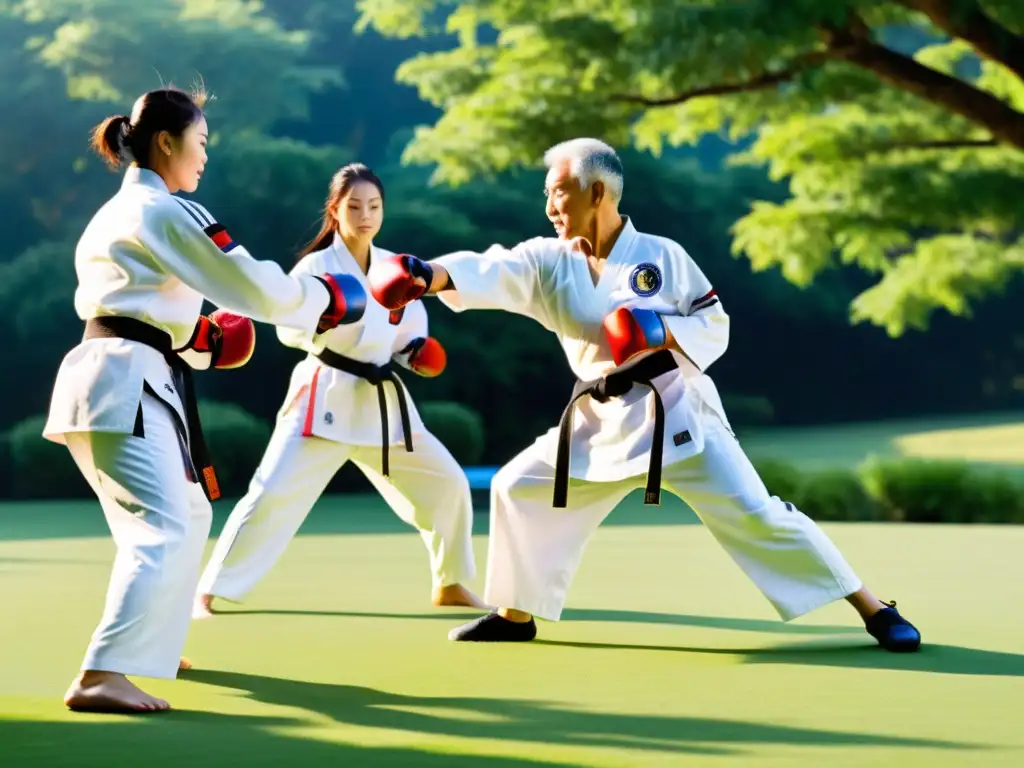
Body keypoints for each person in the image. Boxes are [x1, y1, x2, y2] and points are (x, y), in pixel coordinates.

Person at [365, 137, 922, 652]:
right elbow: (489, 267)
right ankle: (515, 615)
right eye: (548, 197)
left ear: (597, 192)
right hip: (596, 419)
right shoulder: (547, 259)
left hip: (675, 414)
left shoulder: (662, 256)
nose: (550, 208)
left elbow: (716, 322)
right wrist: (424, 274)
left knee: (758, 514)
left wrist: (661, 332)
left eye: (558, 194)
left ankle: (873, 609)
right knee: (518, 487)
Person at [41, 86, 368, 714]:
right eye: (202, 142)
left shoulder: (118, 215)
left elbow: (140, 308)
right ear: (167, 141)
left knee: (187, 514)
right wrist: (326, 298)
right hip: (124, 381)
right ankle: (101, 673)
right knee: (160, 528)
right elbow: (251, 287)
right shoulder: (166, 211)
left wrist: (201, 342)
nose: (205, 157)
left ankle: (149, 647)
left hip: (123, 374)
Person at [193, 163, 485, 619]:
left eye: (374, 206)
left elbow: (405, 335)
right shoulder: (316, 266)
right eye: (354, 206)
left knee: (448, 483)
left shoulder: (396, 269)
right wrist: (323, 317)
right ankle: (209, 590)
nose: (365, 215)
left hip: (380, 404)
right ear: (335, 209)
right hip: (323, 397)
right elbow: (289, 330)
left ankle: (450, 582)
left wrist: (418, 354)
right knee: (272, 493)